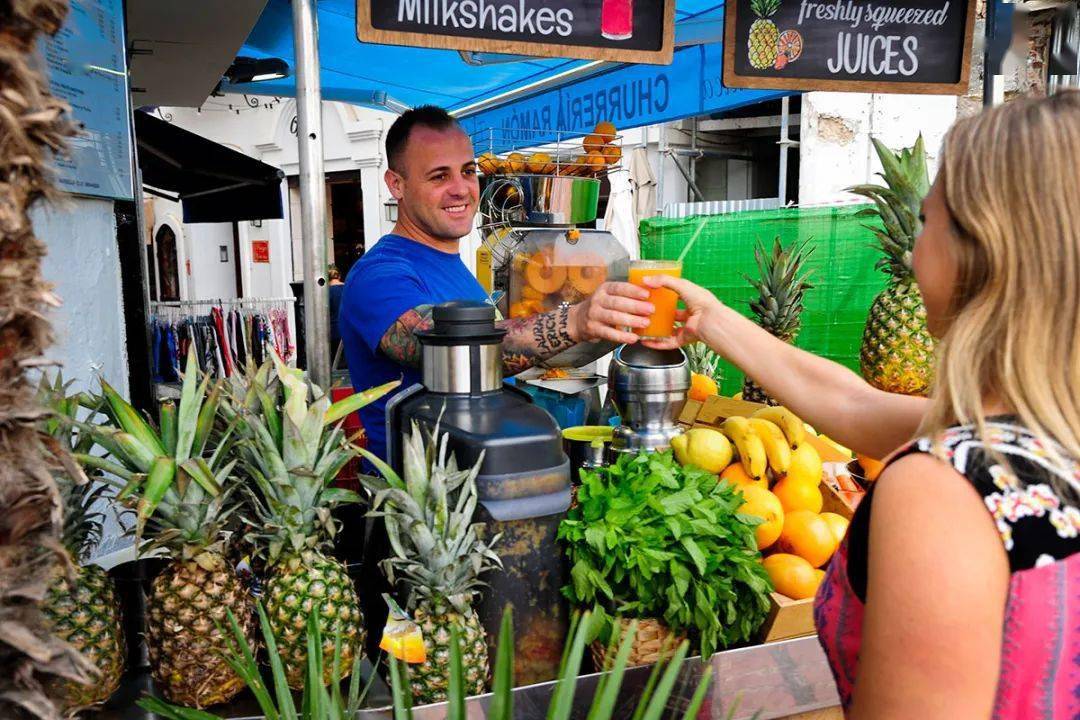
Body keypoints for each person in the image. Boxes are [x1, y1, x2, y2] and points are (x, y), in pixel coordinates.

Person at [641, 92, 1080, 718]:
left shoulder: (943, 491)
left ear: (980, 251)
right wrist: (710, 320)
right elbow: (853, 405)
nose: (910, 252)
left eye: (929, 222)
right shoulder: (1042, 439)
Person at [340, 105, 653, 462]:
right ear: (396, 184)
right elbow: (441, 349)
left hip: (485, 479)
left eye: (468, 171)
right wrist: (575, 322)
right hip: (426, 500)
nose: (461, 189)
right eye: (439, 177)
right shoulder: (380, 276)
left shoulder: (451, 265)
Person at [327, 264, 345, 356]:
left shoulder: (326, 293)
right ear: (339, 276)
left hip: (334, 332)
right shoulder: (349, 288)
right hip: (351, 331)